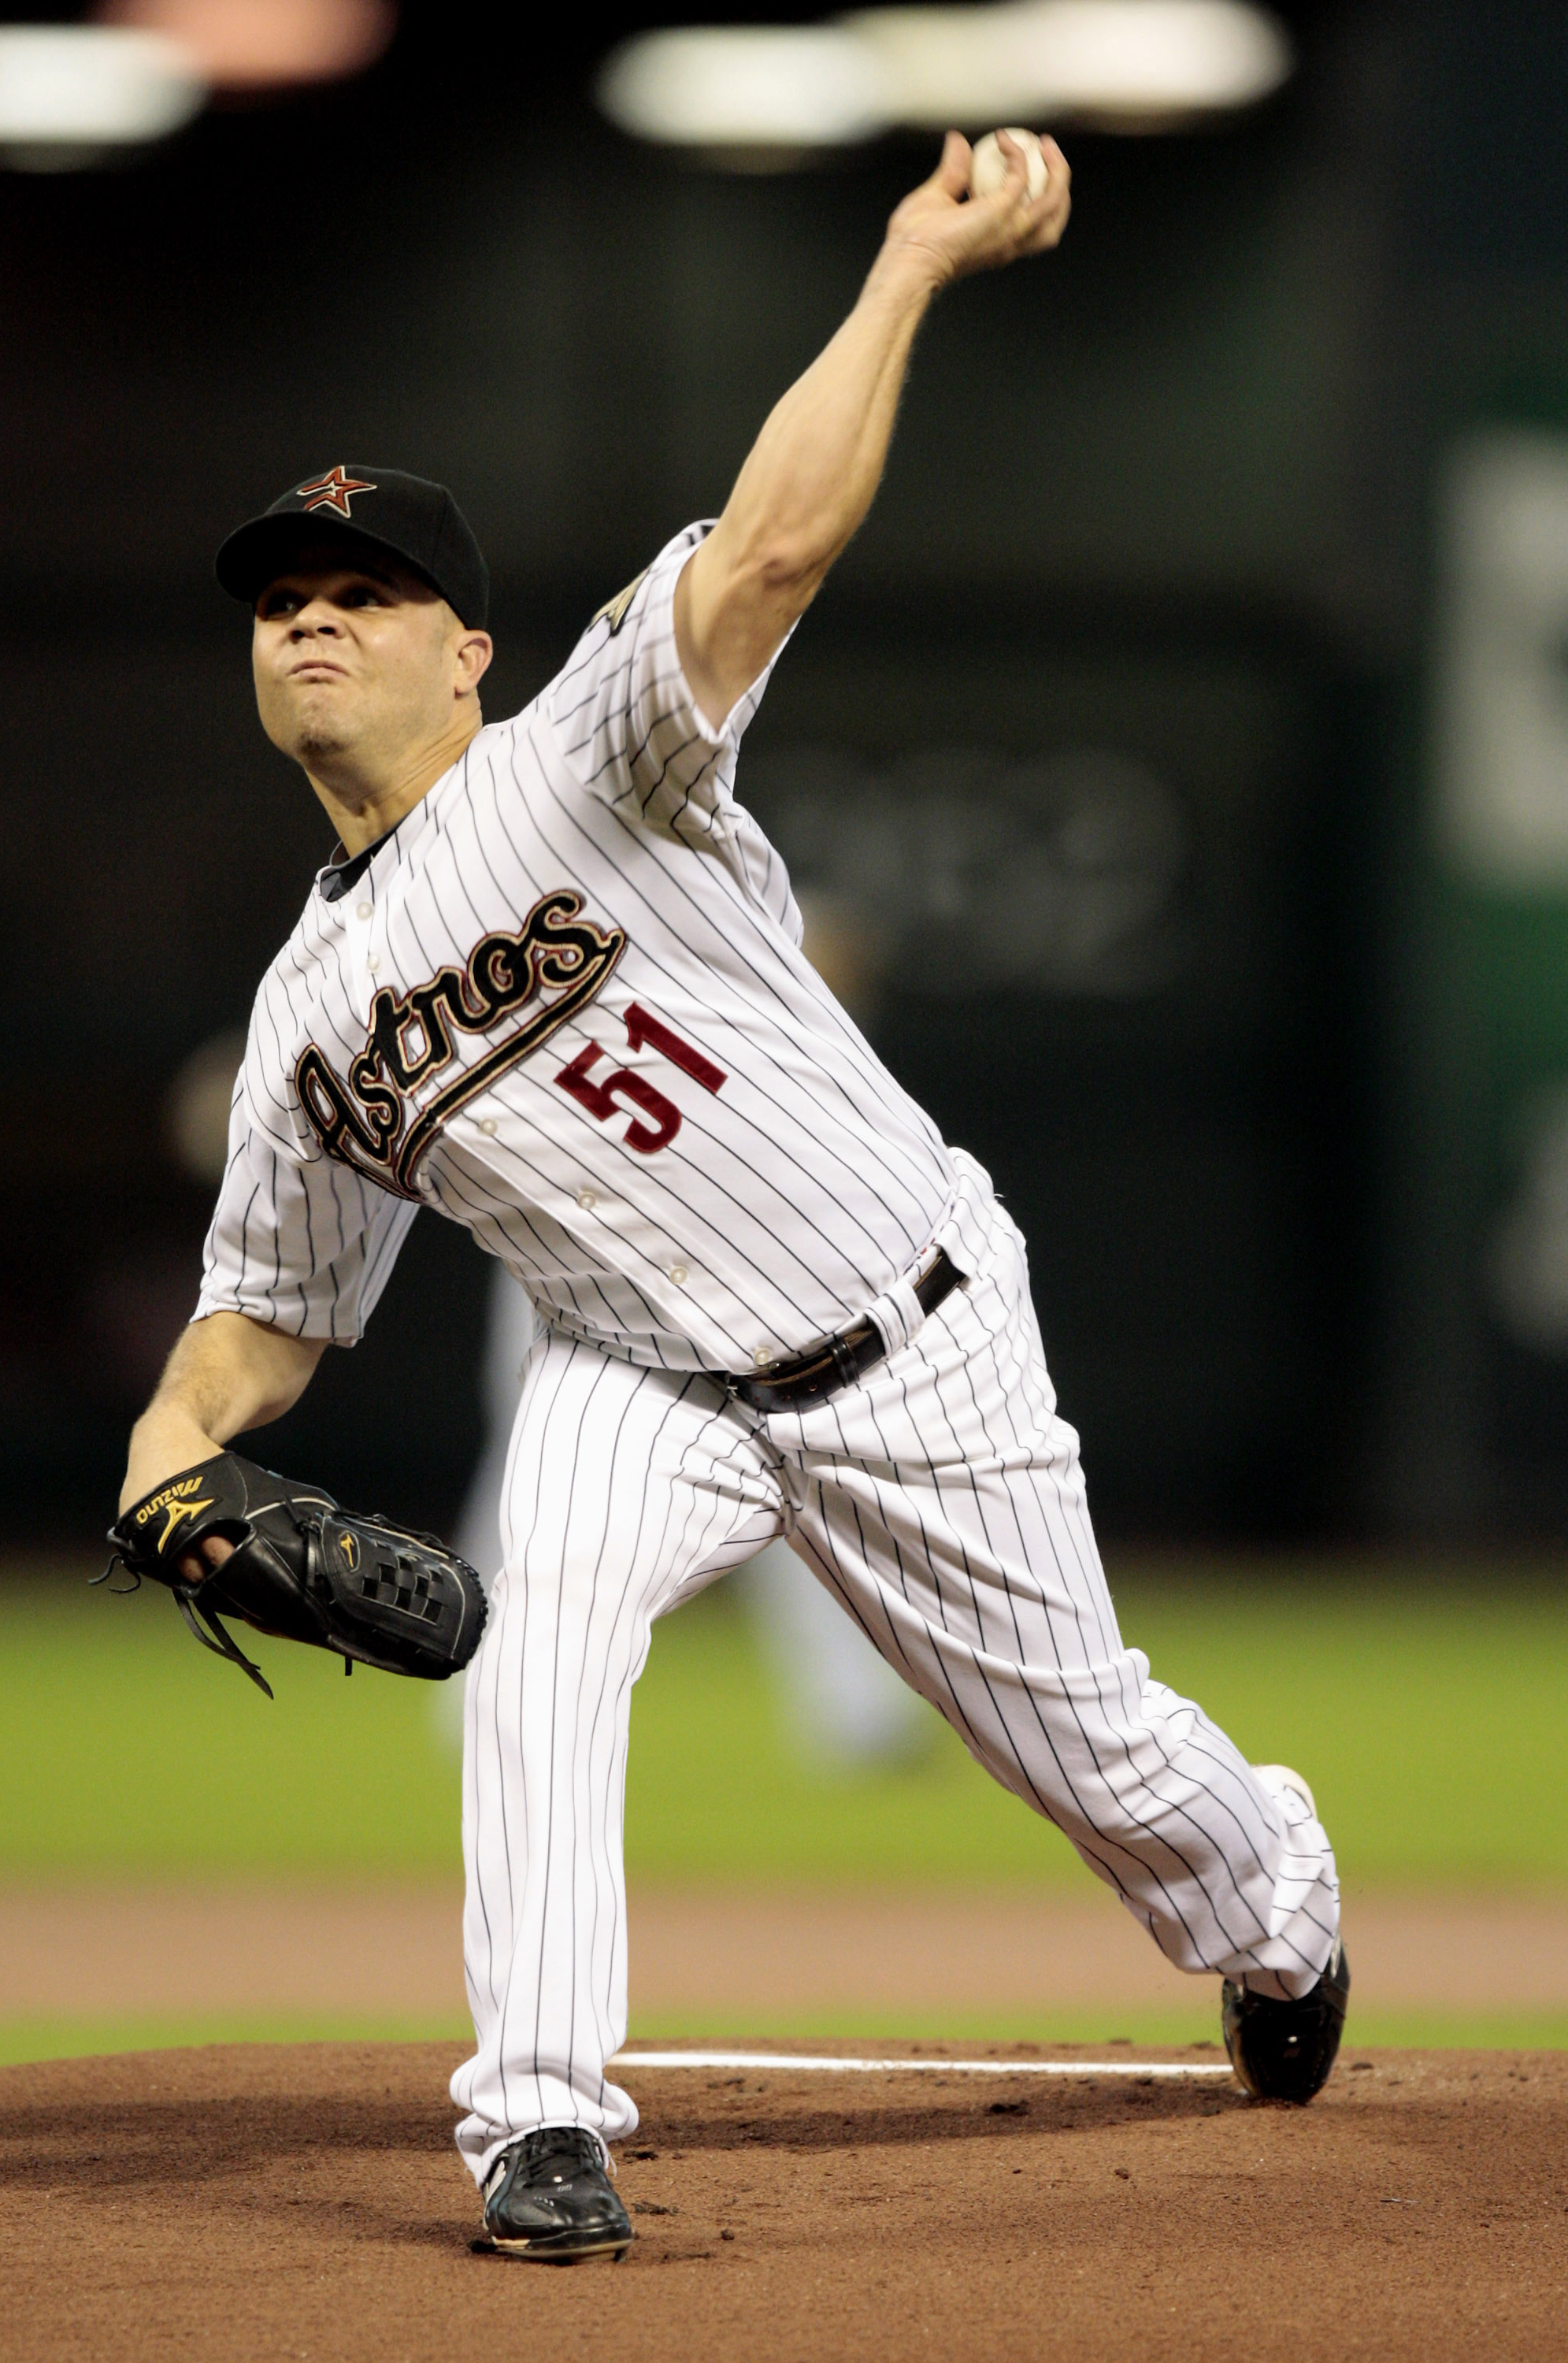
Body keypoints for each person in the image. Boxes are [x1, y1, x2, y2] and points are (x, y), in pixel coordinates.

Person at [118, 132, 1345, 2266]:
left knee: (1106, 1771)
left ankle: (1274, 1899)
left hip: (913, 1326)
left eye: (363, 594)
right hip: (641, 1381)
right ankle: (535, 2123)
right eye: (282, 605)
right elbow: (274, 1314)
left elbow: (769, 548)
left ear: (467, 651)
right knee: (534, 1645)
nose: (311, 621)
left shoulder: (591, 757)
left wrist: (902, 270)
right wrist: (163, 1448)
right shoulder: (308, 1016)